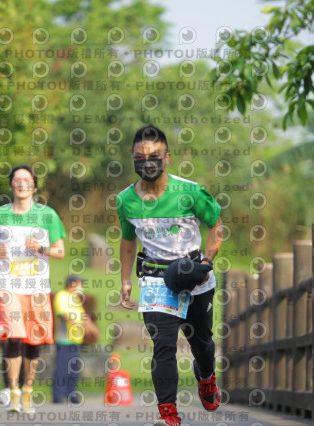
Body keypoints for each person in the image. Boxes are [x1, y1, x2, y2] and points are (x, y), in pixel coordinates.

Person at [116, 125, 223, 426]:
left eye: (154, 156)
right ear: (133, 158)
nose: (147, 162)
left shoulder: (190, 192)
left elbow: (216, 226)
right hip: (155, 279)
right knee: (163, 344)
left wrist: (206, 263)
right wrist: (125, 281)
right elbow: (128, 241)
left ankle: (206, 376)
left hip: (194, 275)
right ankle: (168, 412)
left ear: (167, 158)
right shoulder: (125, 200)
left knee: (202, 343)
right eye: (140, 157)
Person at [0, 164, 65, 414]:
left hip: (37, 287)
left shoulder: (48, 215)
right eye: (17, 179)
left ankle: (28, 390)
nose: (22, 183)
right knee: (13, 336)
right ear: (11, 184)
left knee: (34, 339)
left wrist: (40, 249)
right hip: (8, 285)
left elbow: (60, 251)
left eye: (27, 180)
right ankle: (14, 392)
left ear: (34, 185)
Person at [52, 275, 86, 404]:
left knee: (74, 369)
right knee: (62, 368)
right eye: (79, 283)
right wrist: (76, 324)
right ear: (72, 284)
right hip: (64, 338)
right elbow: (63, 314)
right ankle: (58, 395)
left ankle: (71, 394)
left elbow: (82, 316)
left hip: (76, 340)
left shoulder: (75, 299)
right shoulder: (62, 296)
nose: (81, 287)